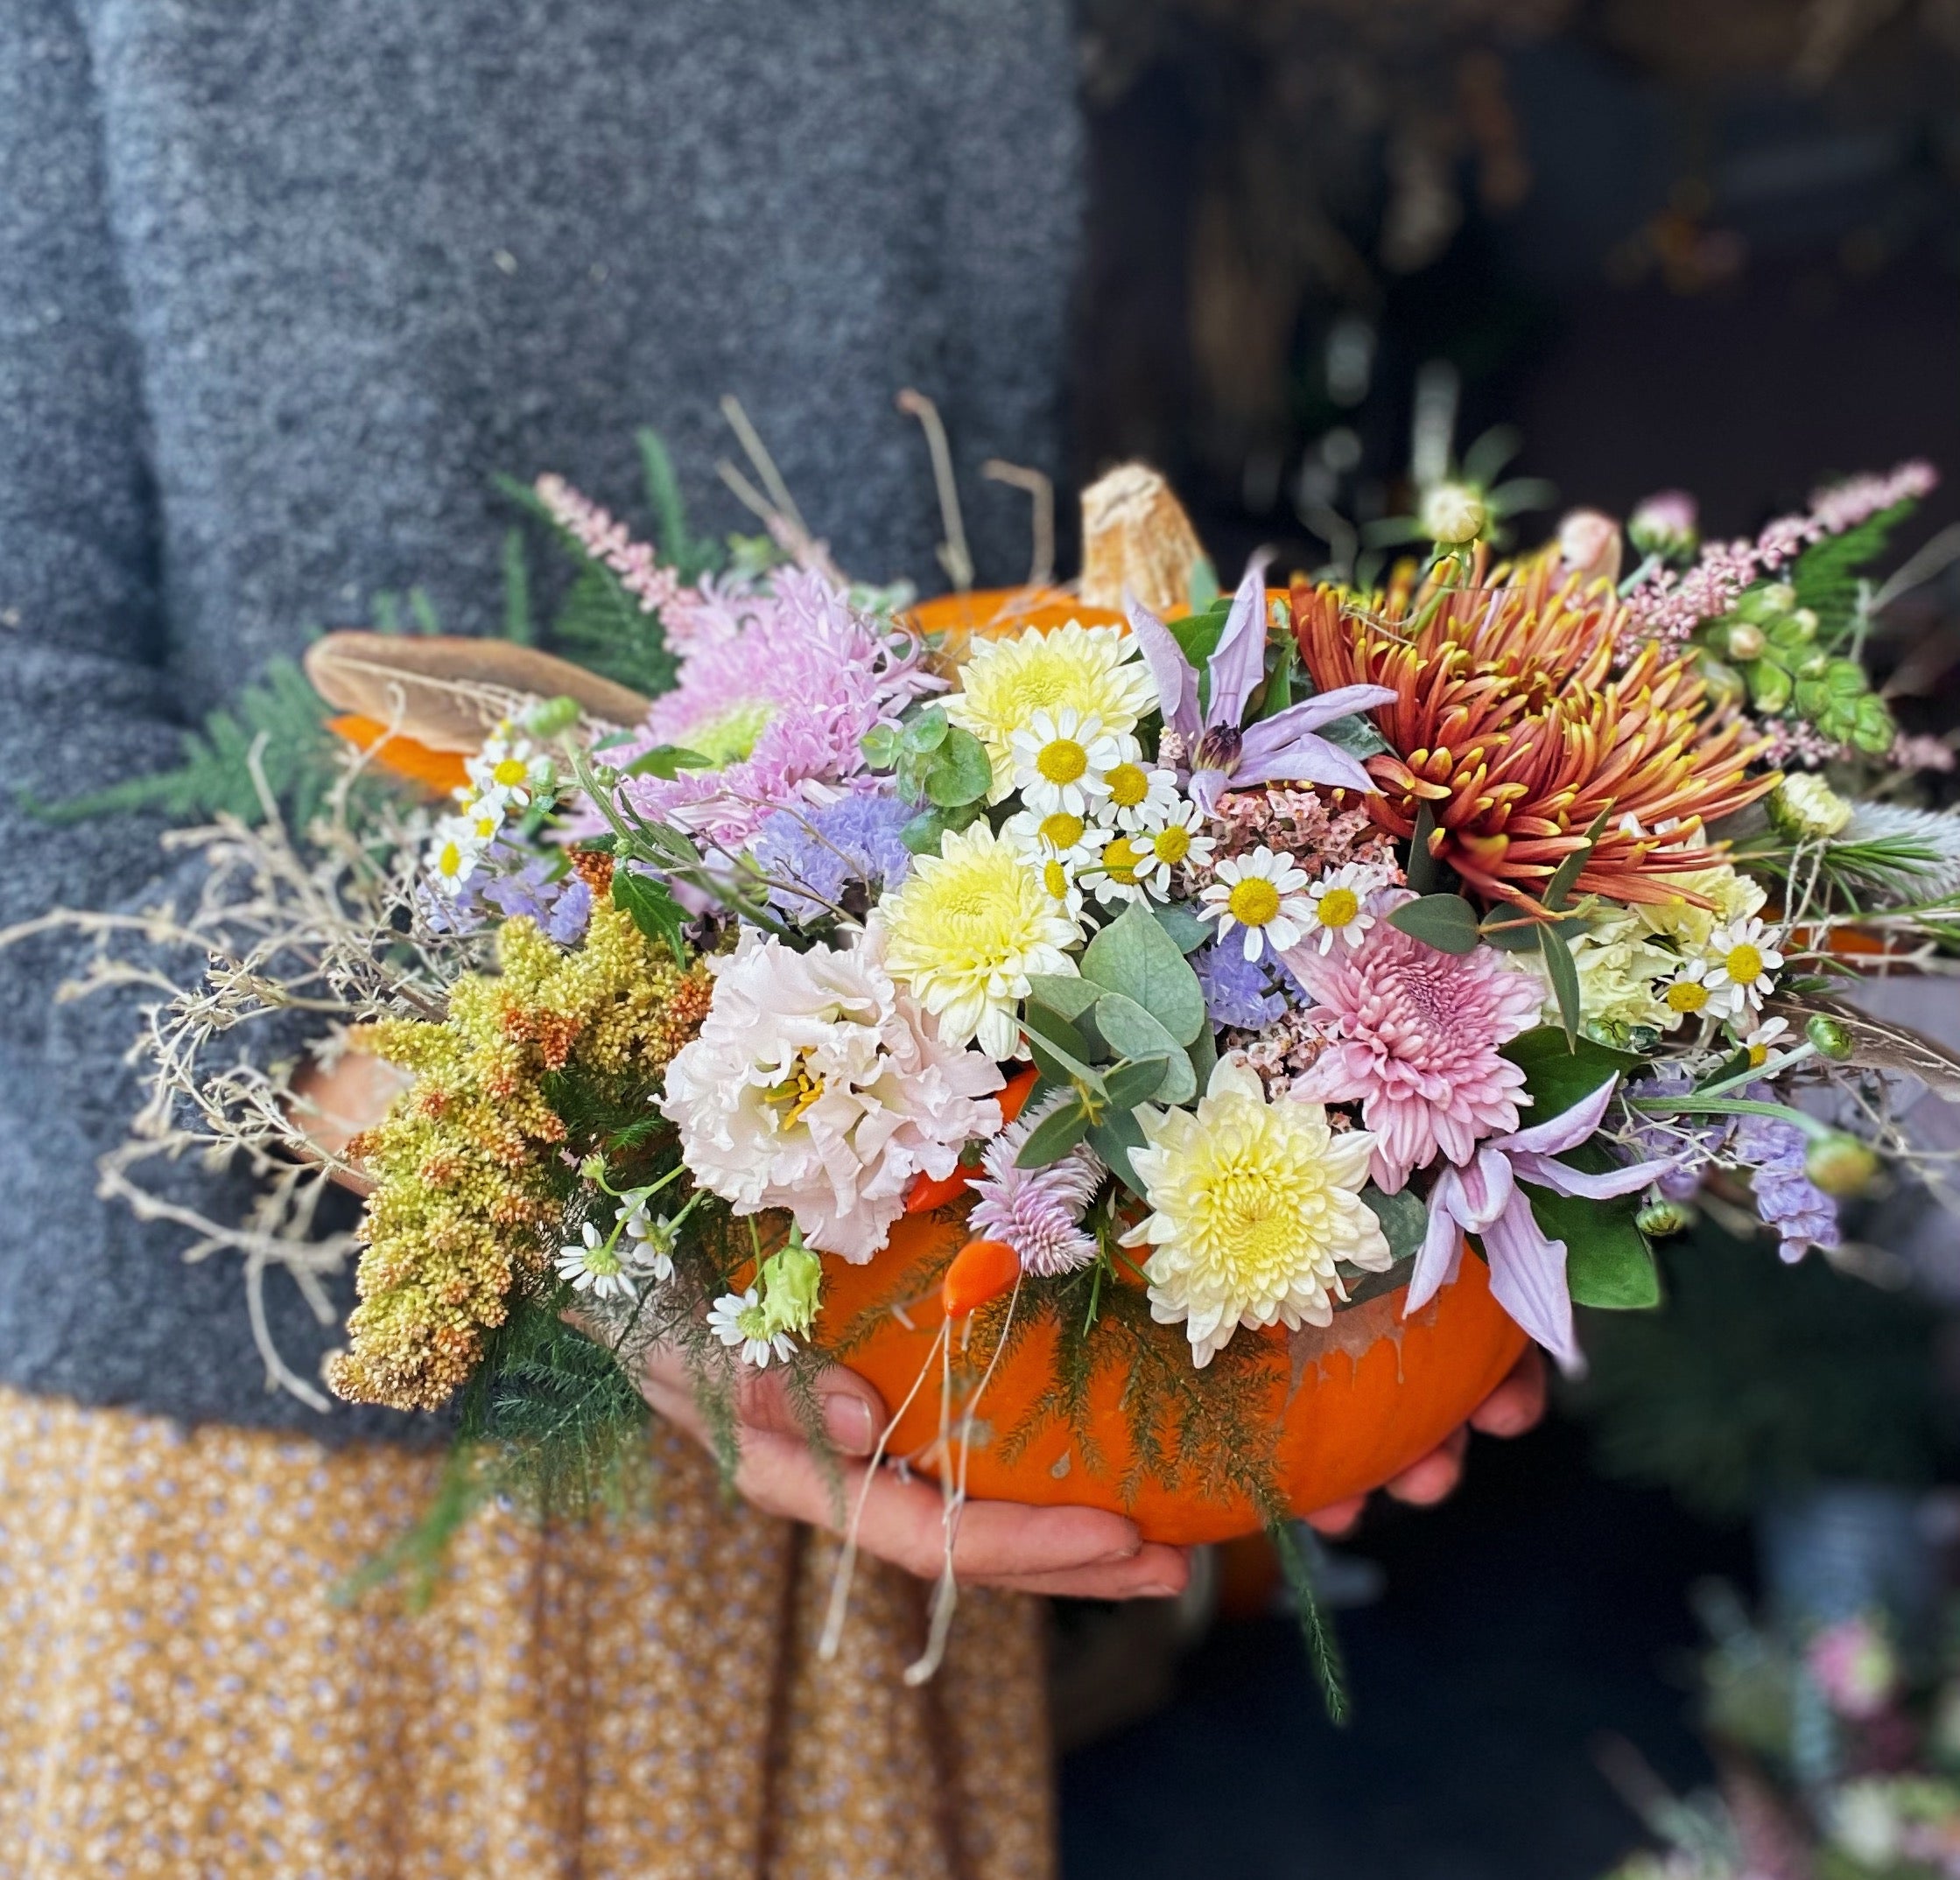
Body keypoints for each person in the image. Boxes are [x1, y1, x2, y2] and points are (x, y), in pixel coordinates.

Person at [0, 4, 1542, 1872]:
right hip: (288, 1501)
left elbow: (975, 660)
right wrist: (576, 1211)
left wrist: (1347, 1137)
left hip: (883, 1429)